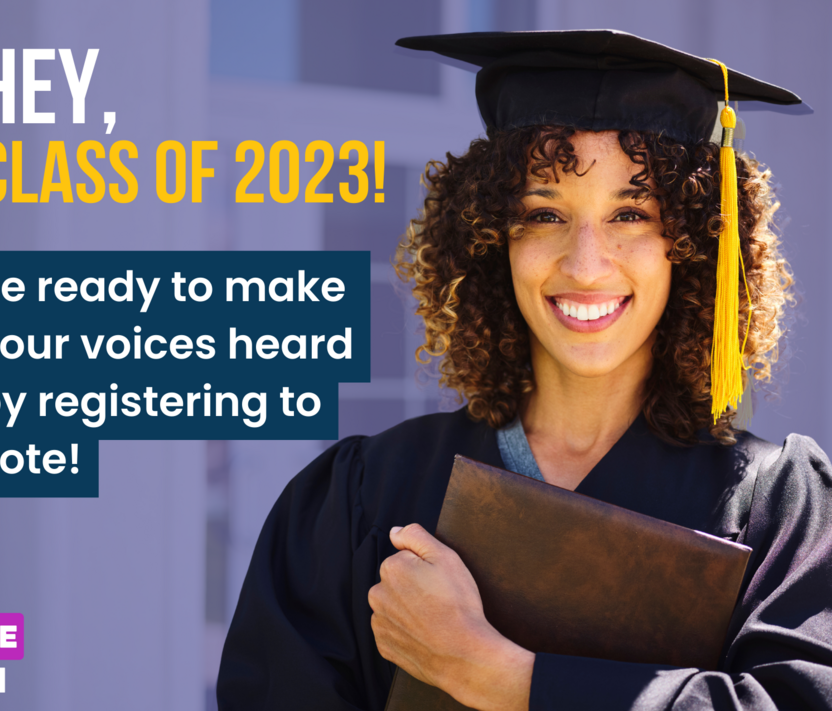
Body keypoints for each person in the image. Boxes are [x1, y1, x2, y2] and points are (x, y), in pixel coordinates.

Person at [216, 30, 832, 710]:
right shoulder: (365, 497)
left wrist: (502, 676)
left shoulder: (778, 510)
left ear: (691, 243)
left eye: (631, 212)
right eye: (545, 214)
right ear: (488, 236)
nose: (586, 262)